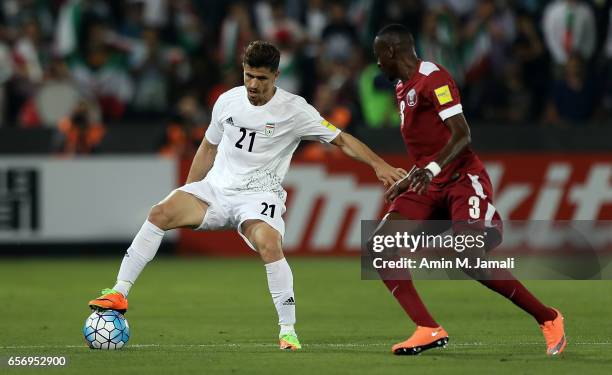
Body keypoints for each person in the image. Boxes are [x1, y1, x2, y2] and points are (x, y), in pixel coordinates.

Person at [88, 40, 406, 351]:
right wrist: (188, 190)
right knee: (160, 213)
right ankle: (119, 292)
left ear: (276, 77)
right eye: (248, 76)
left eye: (262, 79)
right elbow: (208, 147)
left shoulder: (294, 110)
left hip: (258, 196)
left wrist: (379, 165)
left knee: (269, 243)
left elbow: (342, 140)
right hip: (216, 191)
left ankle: (288, 331)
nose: (253, 84)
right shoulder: (227, 101)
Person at [371, 24, 566, 356]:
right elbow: (428, 146)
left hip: (462, 179)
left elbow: (462, 135)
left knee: (469, 257)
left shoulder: (434, 77)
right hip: (427, 184)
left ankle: (549, 318)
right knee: (381, 246)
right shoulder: (403, 90)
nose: (377, 64)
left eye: (378, 56)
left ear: (391, 52)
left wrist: (432, 169)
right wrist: (411, 177)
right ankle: (427, 328)